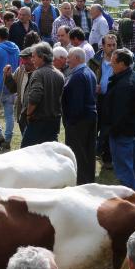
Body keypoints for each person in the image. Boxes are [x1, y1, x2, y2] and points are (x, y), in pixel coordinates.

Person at [102, 48, 135, 195]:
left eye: (113, 62)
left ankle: (131, 203)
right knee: (134, 166)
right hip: (131, 131)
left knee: (124, 170)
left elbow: (119, 114)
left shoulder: (124, 85)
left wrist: (111, 130)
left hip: (122, 133)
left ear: (122, 64)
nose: (110, 64)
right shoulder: (133, 77)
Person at [62, 47, 98, 184]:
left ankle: (81, 181)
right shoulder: (89, 72)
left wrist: (70, 121)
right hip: (90, 117)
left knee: (78, 153)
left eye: (69, 58)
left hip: (79, 121)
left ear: (77, 58)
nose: (67, 60)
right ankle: (88, 179)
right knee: (88, 151)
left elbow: (76, 103)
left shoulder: (77, 76)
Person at [21, 42, 64, 147]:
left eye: (34, 56)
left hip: (38, 121)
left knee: (27, 151)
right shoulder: (59, 74)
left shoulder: (38, 73)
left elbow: (35, 97)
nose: (32, 59)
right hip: (54, 122)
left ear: (42, 57)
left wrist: (29, 114)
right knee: (50, 153)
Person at [89, 33, 118, 169]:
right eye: (109, 45)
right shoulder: (95, 60)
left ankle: (107, 158)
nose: (112, 48)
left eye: (114, 45)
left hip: (113, 100)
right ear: (103, 46)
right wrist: (94, 85)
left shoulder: (121, 59)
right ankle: (95, 151)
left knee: (109, 128)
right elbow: (89, 76)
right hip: (98, 99)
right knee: (97, 126)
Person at [5, 47, 37, 136]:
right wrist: (8, 77)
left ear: (34, 58)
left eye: (27, 59)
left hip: (35, 115)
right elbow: (13, 89)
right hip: (22, 112)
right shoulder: (20, 70)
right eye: (22, 59)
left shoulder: (40, 73)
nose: (24, 62)